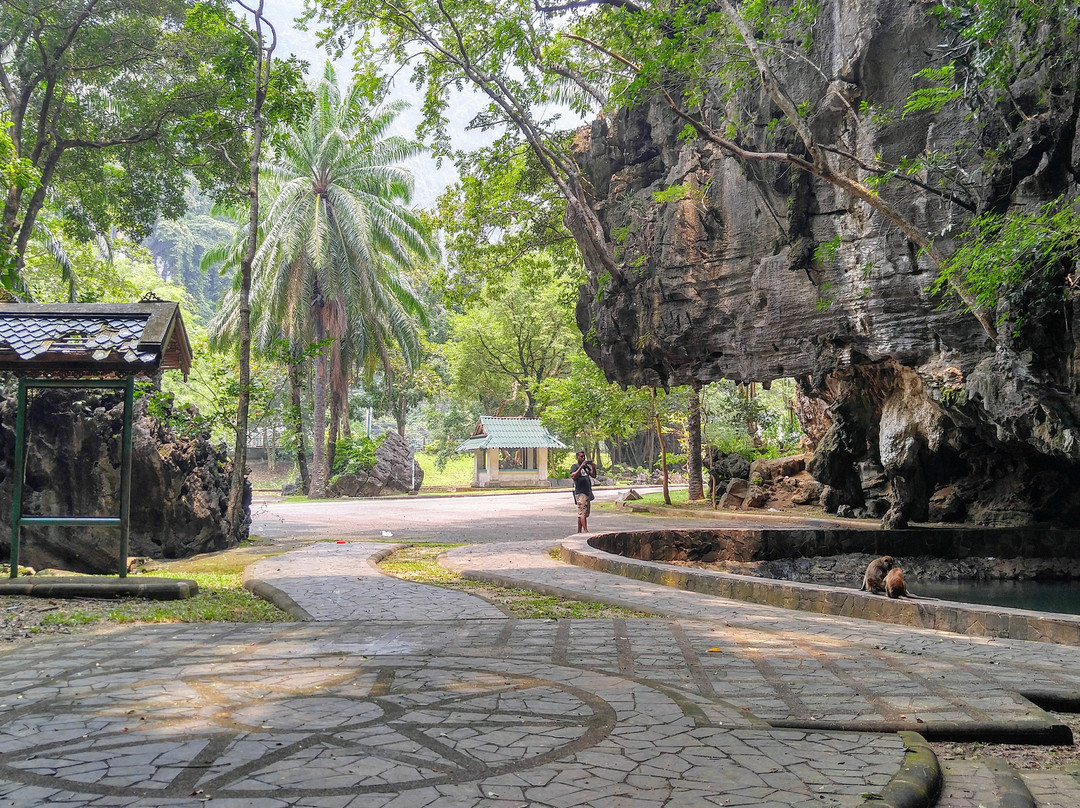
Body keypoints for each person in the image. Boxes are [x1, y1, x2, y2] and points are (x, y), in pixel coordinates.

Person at [570, 451, 596, 533]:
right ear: (577, 457)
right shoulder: (575, 466)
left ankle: (579, 531)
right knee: (582, 512)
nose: (583, 458)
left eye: (584, 456)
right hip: (580, 492)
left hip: (587, 492)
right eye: (581, 456)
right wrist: (581, 466)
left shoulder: (586, 467)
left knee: (583, 513)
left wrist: (593, 467)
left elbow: (593, 475)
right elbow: (573, 476)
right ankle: (586, 530)